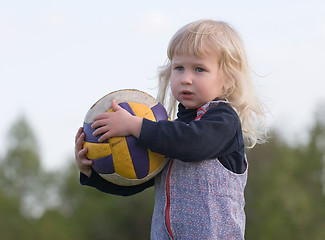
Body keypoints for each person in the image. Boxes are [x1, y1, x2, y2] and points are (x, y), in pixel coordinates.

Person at [75, 19, 267, 239]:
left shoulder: (223, 122)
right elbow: (135, 180)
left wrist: (135, 125)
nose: (186, 78)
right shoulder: (167, 132)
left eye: (199, 69)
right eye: (179, 68)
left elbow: (192, 144)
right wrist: (91, 171)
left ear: (227, 80)